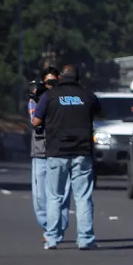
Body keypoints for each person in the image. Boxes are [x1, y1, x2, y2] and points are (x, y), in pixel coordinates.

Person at [32, 64, 102, 250]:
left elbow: (36, 121)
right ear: (78, 78)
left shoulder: (50, 96)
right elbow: (101, 113)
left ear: (60, 78)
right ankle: (86, 239)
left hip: (56, 152)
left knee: (54, 196)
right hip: (82, 152)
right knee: (83, 197)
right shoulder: (87, 95)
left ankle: (52, 239)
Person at [28, 68, 70, 240]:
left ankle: (57, 228)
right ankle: (48, 226)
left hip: (61, 150)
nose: (51, 86)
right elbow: (35, 122)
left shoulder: (65, 99)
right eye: (48, 83)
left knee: (62, 193)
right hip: (40, 151)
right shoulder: (36, 100)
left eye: (54, 82)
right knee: (40, 196)